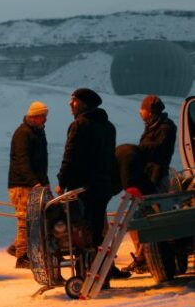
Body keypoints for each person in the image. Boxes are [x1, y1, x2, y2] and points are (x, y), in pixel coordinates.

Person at [120, 95, 178, 273]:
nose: (140, 112)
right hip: (148, 176)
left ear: (150, 111)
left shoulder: (166, 127)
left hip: (157, 177)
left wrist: (136, 150)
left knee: (156, 214)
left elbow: (158, 149)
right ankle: (143, 254)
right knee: (139, 215)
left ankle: (157, 254)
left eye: (142, 109)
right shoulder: (153, 126)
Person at [56, 88, 117, 252]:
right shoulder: (109, 126)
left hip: (82, 188)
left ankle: (87, 269)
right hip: (103, 186)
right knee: (98, 229)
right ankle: (102, 267)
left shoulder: (79, 125)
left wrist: (62, 182)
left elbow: (70, 157)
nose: (70, 104)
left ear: (83, 104)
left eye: (74, 100)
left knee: (82, 231)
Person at [6, 101, 50, 269]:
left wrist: (44, 182)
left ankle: (17, 248)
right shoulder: (23, 133)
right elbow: (21, 161)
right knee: (25, 220)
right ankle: (22, 256)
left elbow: (40, 161)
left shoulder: (37, 132)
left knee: (34, 219)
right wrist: (35, 182)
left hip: (34, 183)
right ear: (35, 116)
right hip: (21, 185)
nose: (45, 120)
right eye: (43, 117)